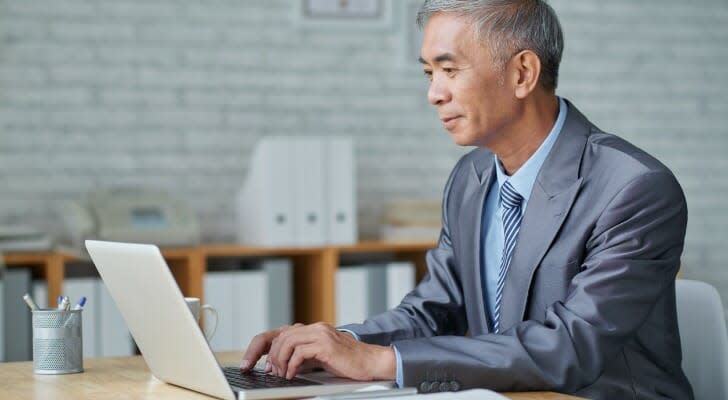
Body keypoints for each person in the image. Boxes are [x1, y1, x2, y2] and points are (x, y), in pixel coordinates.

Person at [241, 1, 694, 398]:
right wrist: (336, 343)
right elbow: (434, 312)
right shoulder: (471, 177)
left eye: (449, 70)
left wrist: (381, 362)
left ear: (522, 73)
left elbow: (569, 347)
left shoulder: (635, 188)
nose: (434, 94)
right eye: (428, 72)